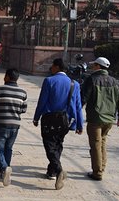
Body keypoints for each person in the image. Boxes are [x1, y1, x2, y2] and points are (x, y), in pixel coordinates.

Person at [33, 58, 84, 190]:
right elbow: (78, 106)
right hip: (65, 120)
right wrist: (79, 124)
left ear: (57, 67)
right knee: (58, 143)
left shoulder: (49, 81)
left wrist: (36, 117)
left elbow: (42, 101)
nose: (51, 68)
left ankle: (59, 169)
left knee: (49, 145)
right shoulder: (75, 84)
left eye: (52, 66)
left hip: (49, 118)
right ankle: (52, 172)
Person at [81, 56, 119, 181]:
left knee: (95, 144)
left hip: (95, 118)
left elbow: (84, 97)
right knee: (103, 143)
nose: (92, 67)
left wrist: (76, 112)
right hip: (109, 118)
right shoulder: (114, 81)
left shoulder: (92, 79)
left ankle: (97, 172)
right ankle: (101, 167)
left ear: (98, 66)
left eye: (94, 65)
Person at [0, 68, 28, 186]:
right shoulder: (23, 92)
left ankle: (4, 168)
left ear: (7, 77)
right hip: (15, 125)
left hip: (1, 124)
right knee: (8, 148)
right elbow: (23, 110)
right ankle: (5, 171)